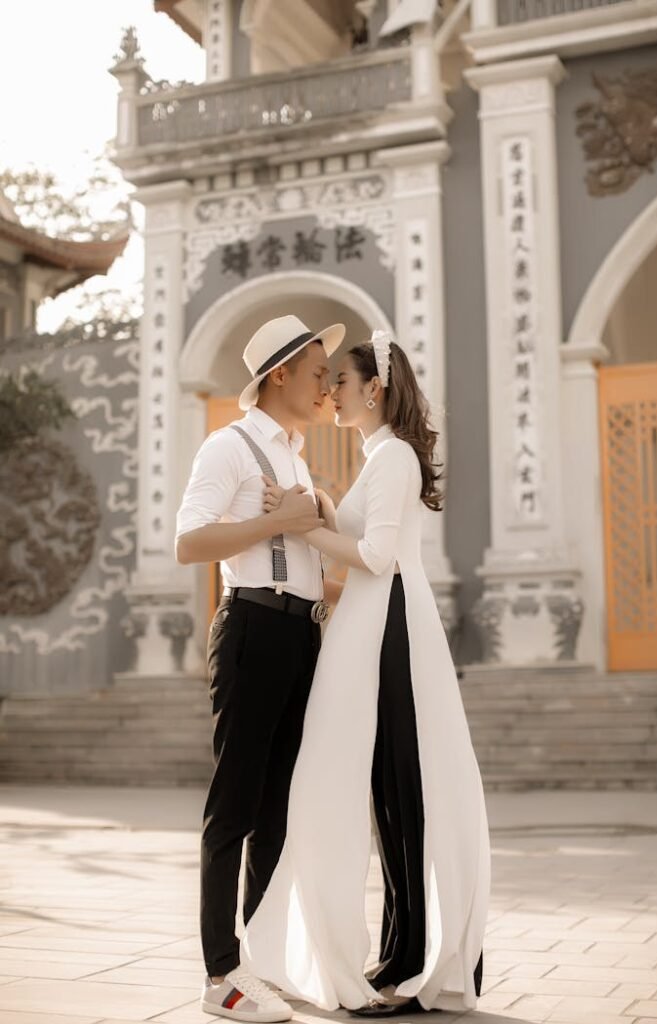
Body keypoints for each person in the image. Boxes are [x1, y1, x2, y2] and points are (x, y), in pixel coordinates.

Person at [242, 331, 490, 1015]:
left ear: (374, 389)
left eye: (341, 383)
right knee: (385, 794)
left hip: (390, 631)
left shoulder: (395, 458)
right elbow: (351, 529)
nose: (330, 393)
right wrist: (314, 508)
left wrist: (295, 526)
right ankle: (398, 953)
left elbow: (375, 556)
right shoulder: (378, 455)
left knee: (403, 796)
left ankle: (411, 962)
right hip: (369, 627)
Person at [175, 314, 346, 1022]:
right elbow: (191, 542)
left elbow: (316, 555)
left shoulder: (298, 458)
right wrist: (277, 522)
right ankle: (221, 974)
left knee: (278, 810)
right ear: (280, 373)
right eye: (315, 372)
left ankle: (262, 959)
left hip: (300, 635)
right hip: (250, 627)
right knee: (235, 806)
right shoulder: (230, 447)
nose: (324, 386)